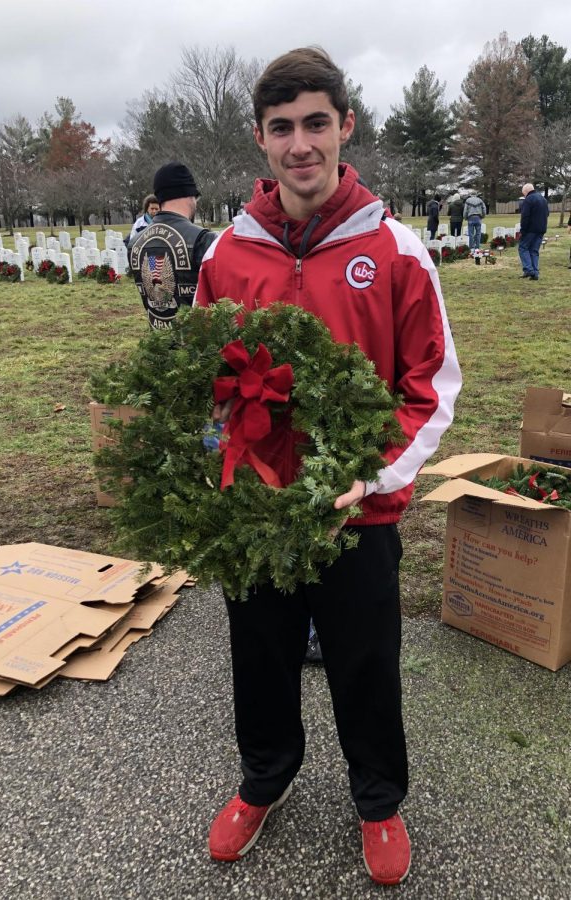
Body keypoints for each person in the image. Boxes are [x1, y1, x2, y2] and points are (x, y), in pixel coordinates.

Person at [194, 47, 461, 887]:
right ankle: (264, 779)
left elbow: (432, 386)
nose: (300, 143)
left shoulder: (395, 249)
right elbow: (203, 383)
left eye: (316, 123)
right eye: (283, 128)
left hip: (359, 513)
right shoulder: (225, 256)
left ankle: (378, 801)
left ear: (346, 126)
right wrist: (211, 456)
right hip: (259, 512)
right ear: (260, 141)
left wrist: (375, 477)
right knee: (260, 655)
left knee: (364, 661)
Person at [129, 163, 217, 329]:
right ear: (191, 196)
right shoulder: (203, 239)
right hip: (199, 348)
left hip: (157, 343)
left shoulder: (135, 242)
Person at [518, 182, 549, 280]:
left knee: (523, 248)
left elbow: (525, 216)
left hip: (530, 229)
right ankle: (535, 273)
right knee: (534, 250)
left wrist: (523, 230)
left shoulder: (528, 200)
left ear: (526, 191)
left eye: (523, 193)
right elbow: (547, 213)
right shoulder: (543, 199)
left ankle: (528, 269)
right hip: (541, 228)